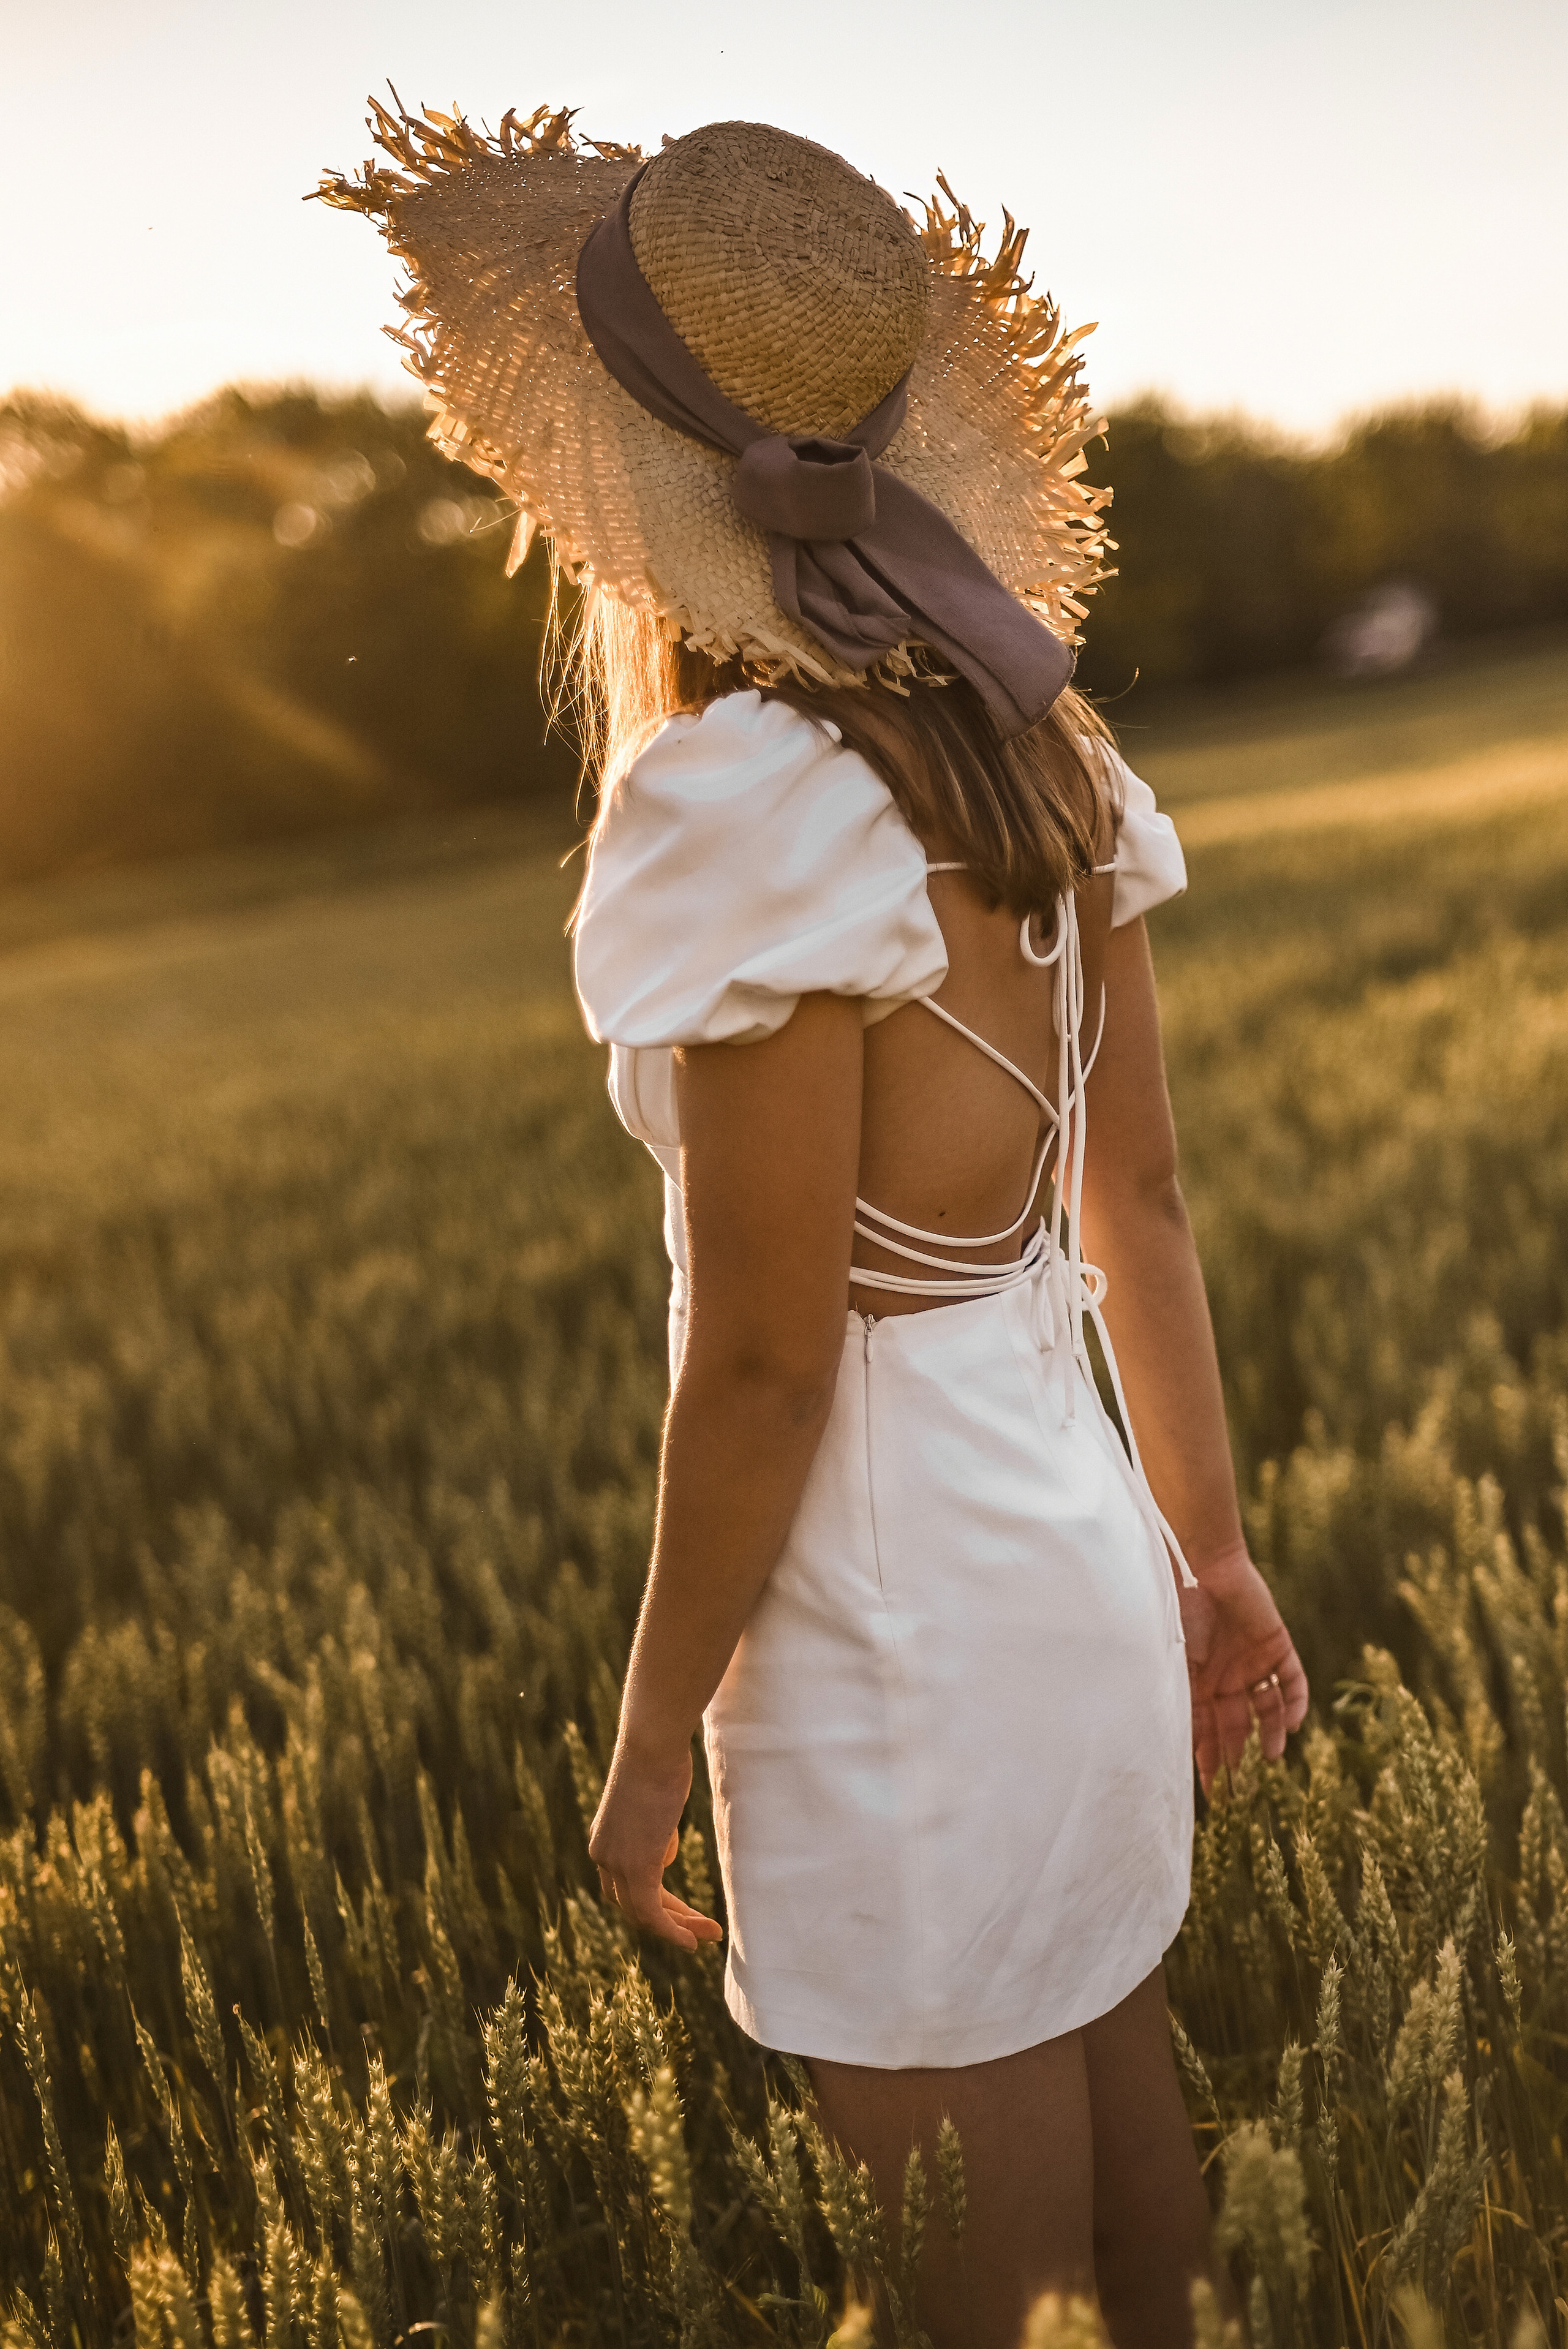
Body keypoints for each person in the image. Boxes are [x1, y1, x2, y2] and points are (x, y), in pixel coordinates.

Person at [324, 104, 1309, 2347]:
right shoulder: (1045, 755)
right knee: (1124, 2169)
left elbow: (768, 1358)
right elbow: (1136, 1198)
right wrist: (1212, 1555)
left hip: (888, 1638)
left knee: (965, 2284)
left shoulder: (745, 813)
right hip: (1071, 1559)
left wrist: (654, 1734)